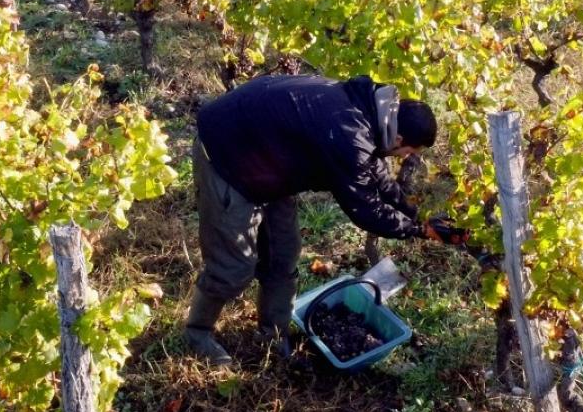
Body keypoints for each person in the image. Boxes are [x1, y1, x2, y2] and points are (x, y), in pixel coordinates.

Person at [186, 74, 457, 364]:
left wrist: (416, 214)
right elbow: (365, 209)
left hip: (266, 162)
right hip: (225, 155)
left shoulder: (372, 115)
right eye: (409, 152)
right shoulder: (349, 135)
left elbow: (376, 173)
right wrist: (418, 230)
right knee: (234, 268)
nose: (404, 157)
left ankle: (273, 335)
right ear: (400, 139)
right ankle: (197, 332)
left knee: (284, 255)